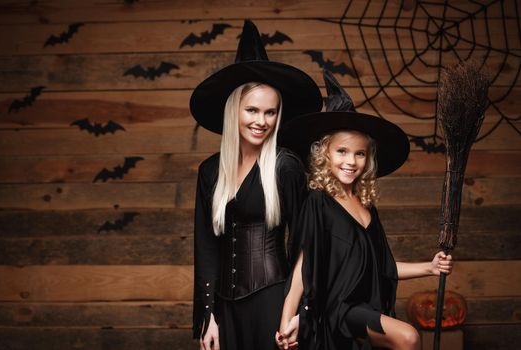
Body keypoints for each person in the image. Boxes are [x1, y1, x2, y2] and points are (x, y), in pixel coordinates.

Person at [275, 70, 454, 350]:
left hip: (362, 309)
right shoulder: (318, 202)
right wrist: (286, 322)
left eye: (359, 153)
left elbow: (381, 267)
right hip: (336, 311)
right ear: (326, 154)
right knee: (409, 336)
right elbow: (302, 268)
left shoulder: (367, 206)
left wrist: (429, 268)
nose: (351, 161)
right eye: (342, 151)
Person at [189, 20, 323, 350]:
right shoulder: (210, 171)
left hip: (273, 301)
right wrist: (208, 317)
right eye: (252, 110)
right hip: (224, 306)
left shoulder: (285, 166)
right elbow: (206, 248)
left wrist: (299, 313)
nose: (261, 122)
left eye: (270, 113)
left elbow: (310, 241)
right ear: (234, 110)